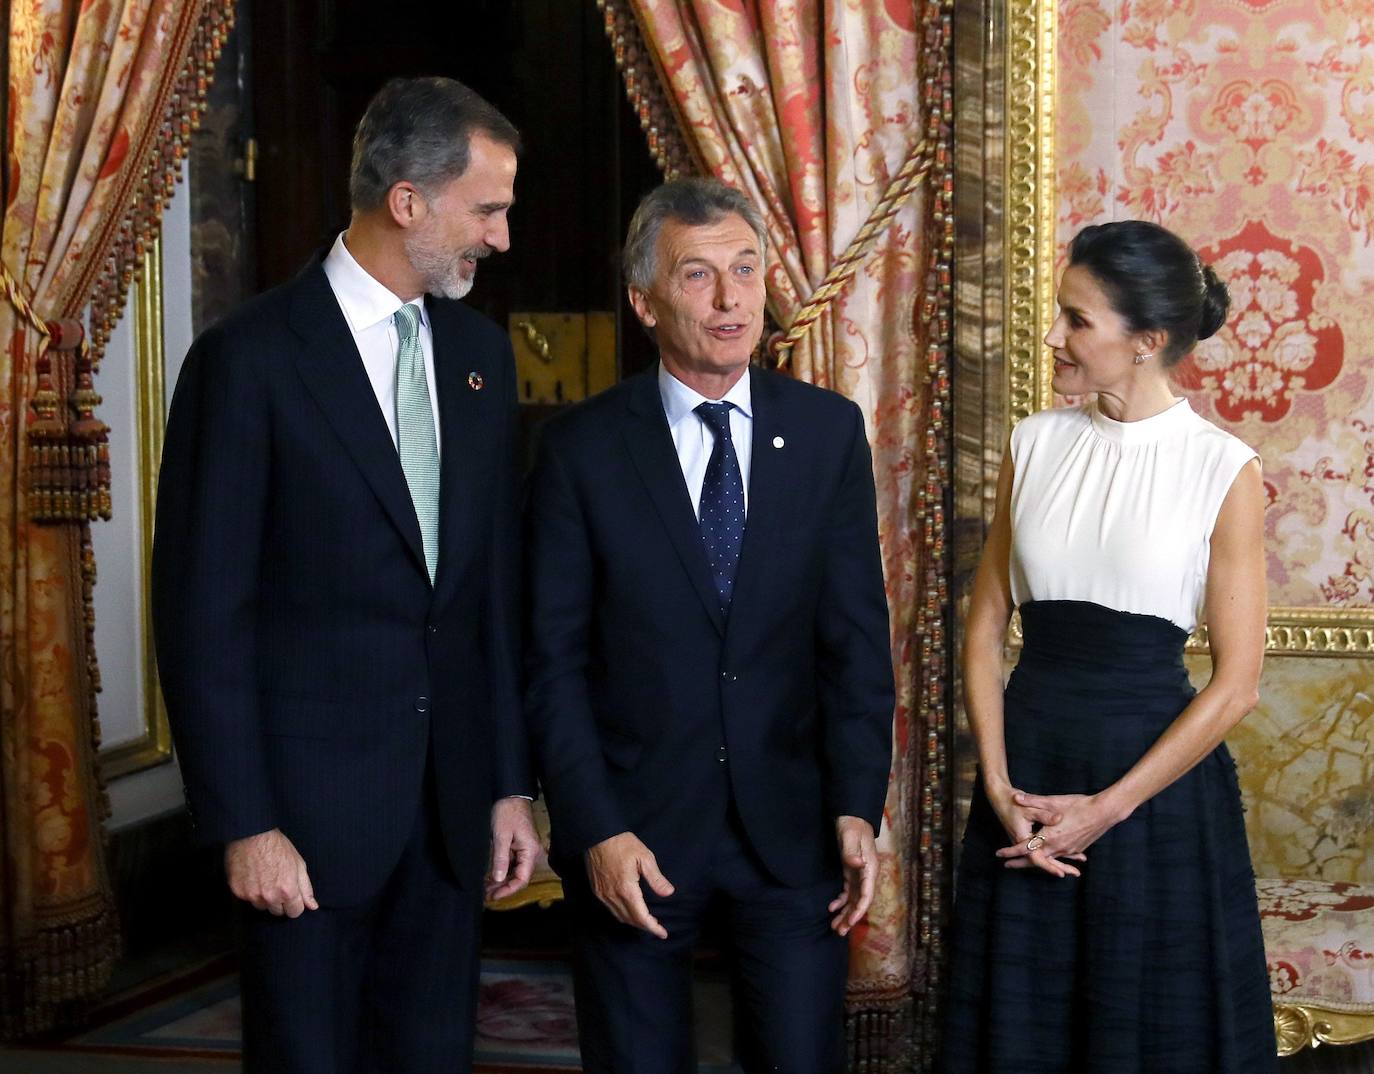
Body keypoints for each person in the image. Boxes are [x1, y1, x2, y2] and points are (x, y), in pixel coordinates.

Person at [151, 77, 539, 1074]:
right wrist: (245, 823)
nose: (501, 237)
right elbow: (204, 617)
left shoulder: (480, 360)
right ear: (408, 200)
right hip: (305, 823)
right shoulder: (249, 361)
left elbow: (486, 602)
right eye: (487, 209)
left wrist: (505, 786)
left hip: (447, 821)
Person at [524, 177, 895, 1073]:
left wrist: (856, 803)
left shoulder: (827, 433)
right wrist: (594, 829)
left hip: (792, 831)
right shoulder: (580, 450)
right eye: (698, 275)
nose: (732, 301)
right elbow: (551, 661)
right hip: (634, 833)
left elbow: (855, 642)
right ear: (645, 300)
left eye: (746, 268)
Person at [939, 220, 1276, 1073]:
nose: (1054, 336)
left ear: (1147, 342)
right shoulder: (1034, 443)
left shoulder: (1222, 466)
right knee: (1020, 1037)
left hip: (1151, 796)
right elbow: (983, 628)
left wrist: (1110, 807)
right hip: (1026, 782)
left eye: (1076, 320)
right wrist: (998, 779)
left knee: (1151, 1038)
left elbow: (1236, 685)